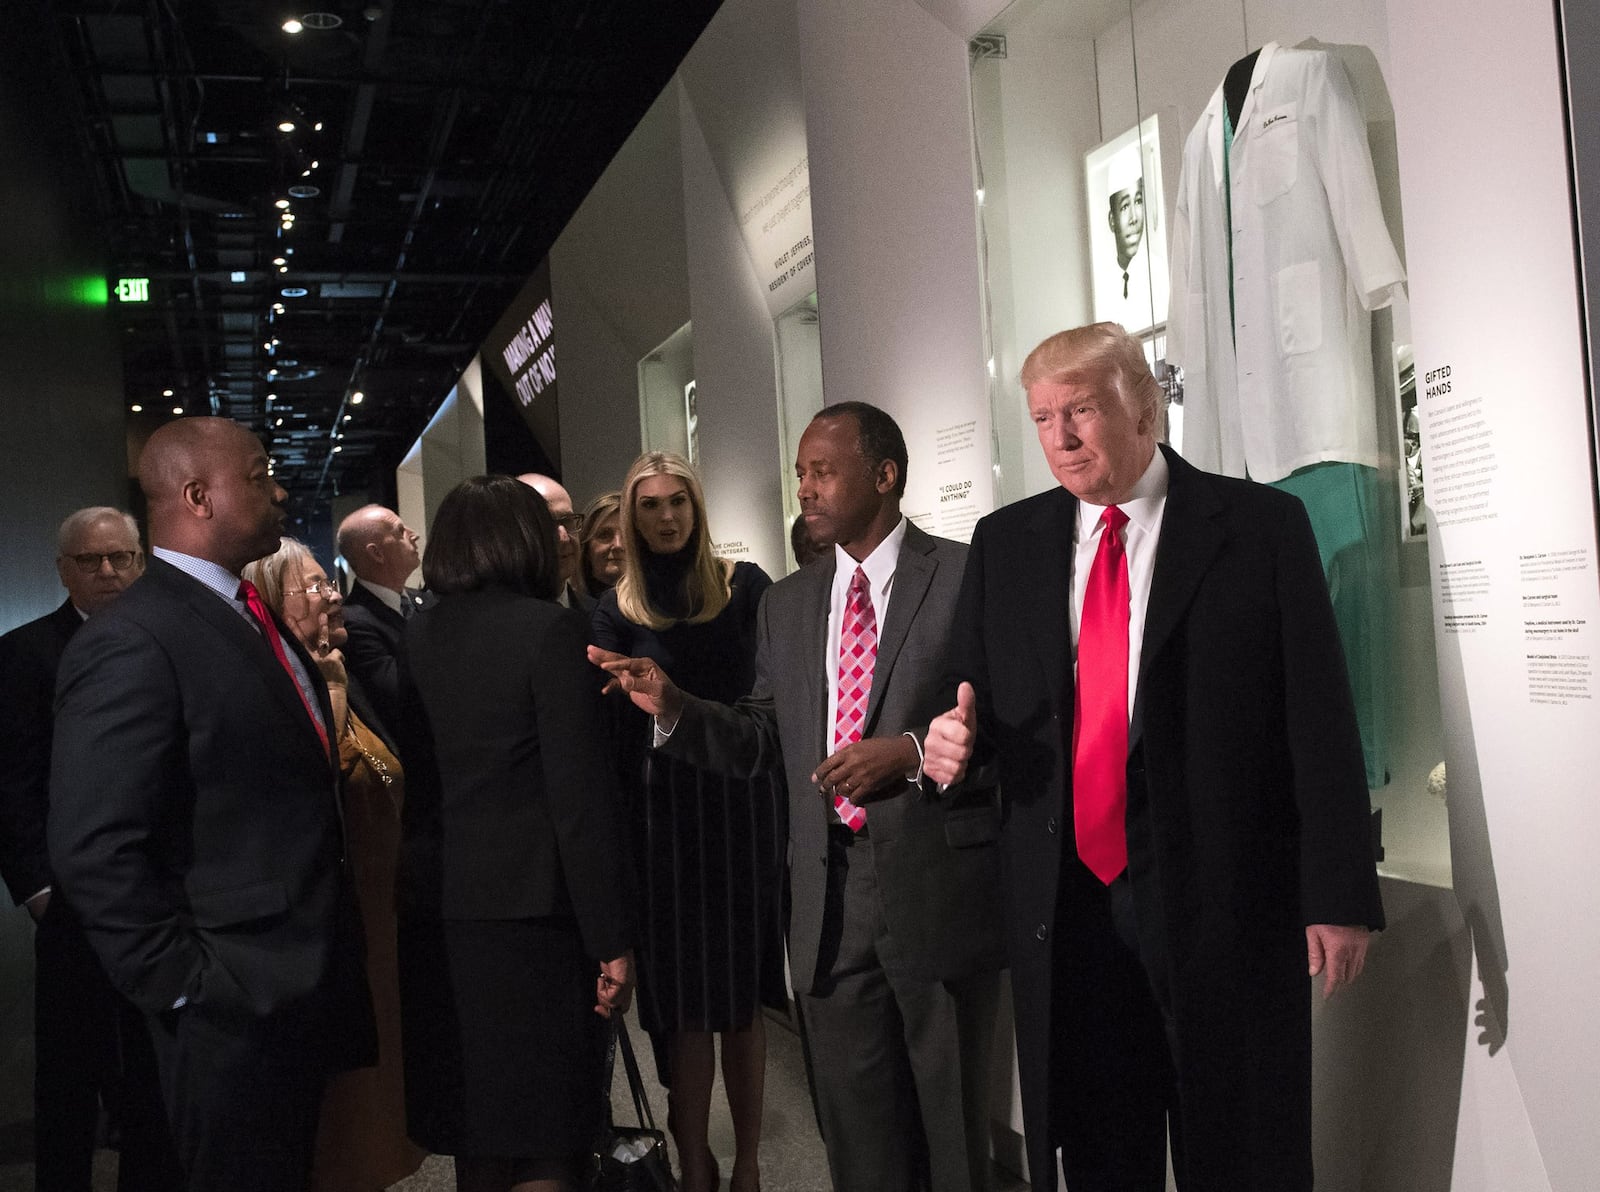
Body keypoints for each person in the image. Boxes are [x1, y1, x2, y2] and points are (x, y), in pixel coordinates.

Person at [922, 323, 1385, 1191]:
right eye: (1043, 418)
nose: (1059, 438)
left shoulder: (1259, 527)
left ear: (1144, 403)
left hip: (1225, 908)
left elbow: (1319, 720)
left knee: (1245, 1151)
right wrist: (948, 746)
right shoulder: (1009, 543)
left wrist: (1339, 894)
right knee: (1104, 1156)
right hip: (1073, 919)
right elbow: (965, 698)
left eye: (1081, 411)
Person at [591, 404, 1005, 1192]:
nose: (805, 489)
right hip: (828, 898)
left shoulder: (961, 574)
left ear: (884, 476)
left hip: (936, 891)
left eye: (823, 471)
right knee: (858, 1141)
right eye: (800, 474)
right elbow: (761, 736)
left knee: (953, 1143)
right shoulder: (787, 601)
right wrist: (675, 706)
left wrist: (913, 751)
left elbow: (1012, 722)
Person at [48, 417, 375, 1192]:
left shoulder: (246, 614)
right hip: (227, 1009)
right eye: (260, 474)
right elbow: (93, 845)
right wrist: (187, 986)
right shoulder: (136, 638)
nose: (280, 490)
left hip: (291, 991)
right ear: (197, 496)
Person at [398, 475, 634, 1192]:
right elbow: (578, 802)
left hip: (441, 918)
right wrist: (612, 940)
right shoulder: (550, 630)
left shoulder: (416, 635)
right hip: (536, 926)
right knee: (548, 1139)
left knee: (482, 1133)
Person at [590, 452, 785, 1192]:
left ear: (698, 509)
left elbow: (767, 710)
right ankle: (695, 1154)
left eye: (678, 502)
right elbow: (612, 735)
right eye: (650, 506)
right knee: (685, 1013)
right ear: (631, 517)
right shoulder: (618, 606)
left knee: (740, 1002)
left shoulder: (747, 589)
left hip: (739, 812)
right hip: (663, 823)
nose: (666, 517)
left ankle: (751, 1163)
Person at [0, 507, 180, 1192]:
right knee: (68, 1074)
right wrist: (39, 889)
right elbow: (10, 782)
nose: (107, 572)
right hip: (69, 902)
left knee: (152, 1066)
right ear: (62, 569)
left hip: (159, 895)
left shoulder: (166, 642)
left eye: (121, 558)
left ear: (140, 560)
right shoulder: (23, 654)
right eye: (89, 560)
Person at [241, 540, 425, 1192]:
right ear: (270, 600)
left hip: (378, 931)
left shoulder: (337, 672)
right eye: (314, 586)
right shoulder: (280, 689)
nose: (332, 594)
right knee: (334, 1129)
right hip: (331, 939)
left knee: (376, 1118)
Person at [336, 504, 426, 735]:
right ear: (376, 553)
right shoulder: (354, 622)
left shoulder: (426, 602)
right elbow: (399, 694)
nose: (413, 534)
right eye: (400, 531)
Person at [516, 473, 591, 610]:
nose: (564, 537)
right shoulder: (497, 620)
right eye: (547, 524)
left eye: (568, 521)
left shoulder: (596, 614)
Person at [578, 489, 624, 598]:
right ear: (587, 548)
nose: (618, 545)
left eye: (627, 535)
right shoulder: (569, 608)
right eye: (604, 535)